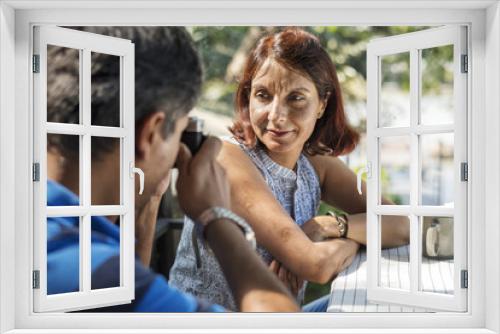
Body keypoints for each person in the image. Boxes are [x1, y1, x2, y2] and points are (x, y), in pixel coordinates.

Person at [46, 26, 299, 312]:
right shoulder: (91, 272)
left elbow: (129, 302)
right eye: (180, 131)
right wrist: (216, 217)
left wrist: (150, 197)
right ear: (151, 134)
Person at [169, 27, 410, 312]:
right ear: (248, 98)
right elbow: (316, 265)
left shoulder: (315, 165)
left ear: (322, 103)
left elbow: (401, 225)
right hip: (208, 322)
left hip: (279, 320)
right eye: (263, 95)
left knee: (388, 308)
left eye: (296, 98)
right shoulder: (228, 156)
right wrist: (350, 241)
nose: (276, 116)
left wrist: (329, 226)